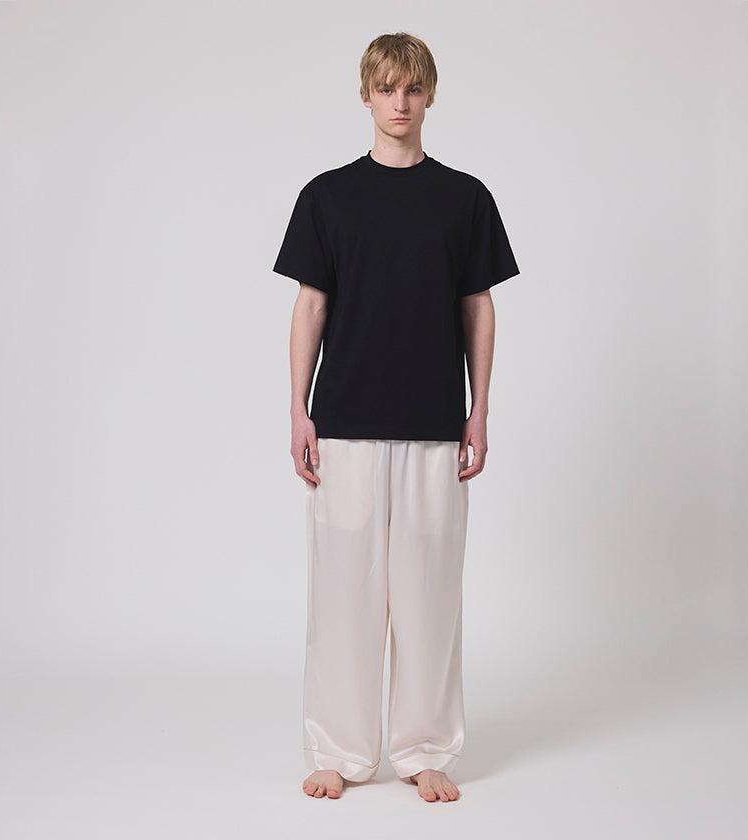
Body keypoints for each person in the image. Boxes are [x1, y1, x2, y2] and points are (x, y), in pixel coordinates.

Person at [272, 31, 519, 803]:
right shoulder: (327, 196)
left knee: (428, 597)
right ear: (366, 95)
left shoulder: (465, 198)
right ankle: (339, 750)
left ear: (429, 94)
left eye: (412, 88)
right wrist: (298, 409)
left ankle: (424, 749)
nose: (400, 102)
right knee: (342, 596)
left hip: (434, 424)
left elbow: (477, 307)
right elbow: (310, 305)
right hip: (343, 423)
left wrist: (479, 410)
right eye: (387, 89)